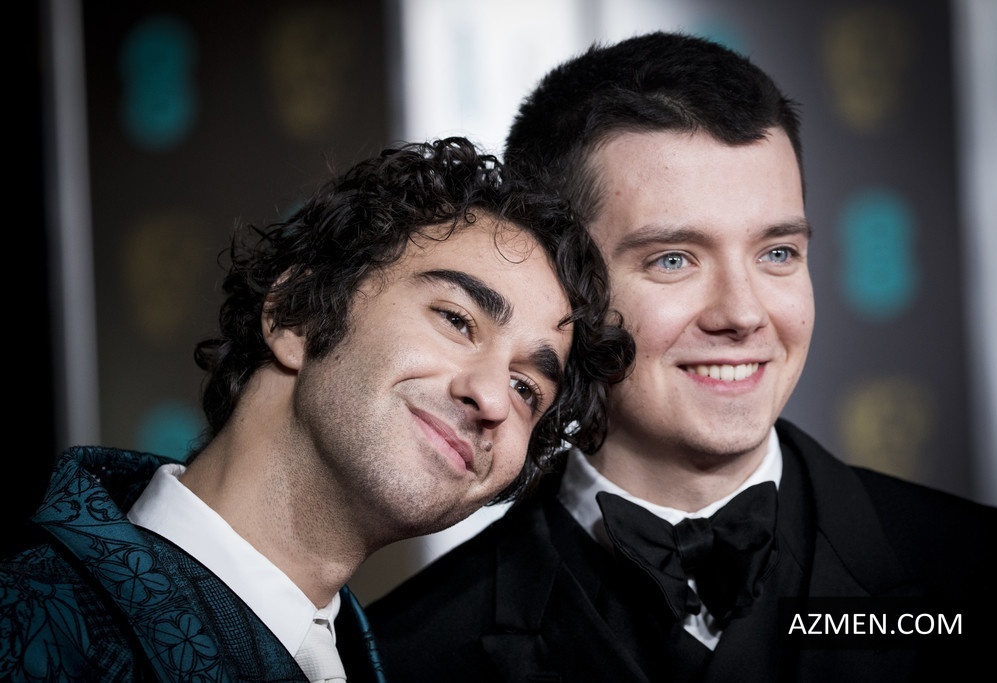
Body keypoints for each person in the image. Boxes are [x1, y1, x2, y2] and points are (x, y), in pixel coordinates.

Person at [366, 33, 997, 682]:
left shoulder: (993, 574)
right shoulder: (403, 659)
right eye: (674, 260)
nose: (743, 313)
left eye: (777, 253)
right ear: (557, 282)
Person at [0, 137, 634, 682]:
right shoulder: (31, 619)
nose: (492, 398)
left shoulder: (380, 659)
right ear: (297, 314)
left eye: (527, 389)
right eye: (457, 320)